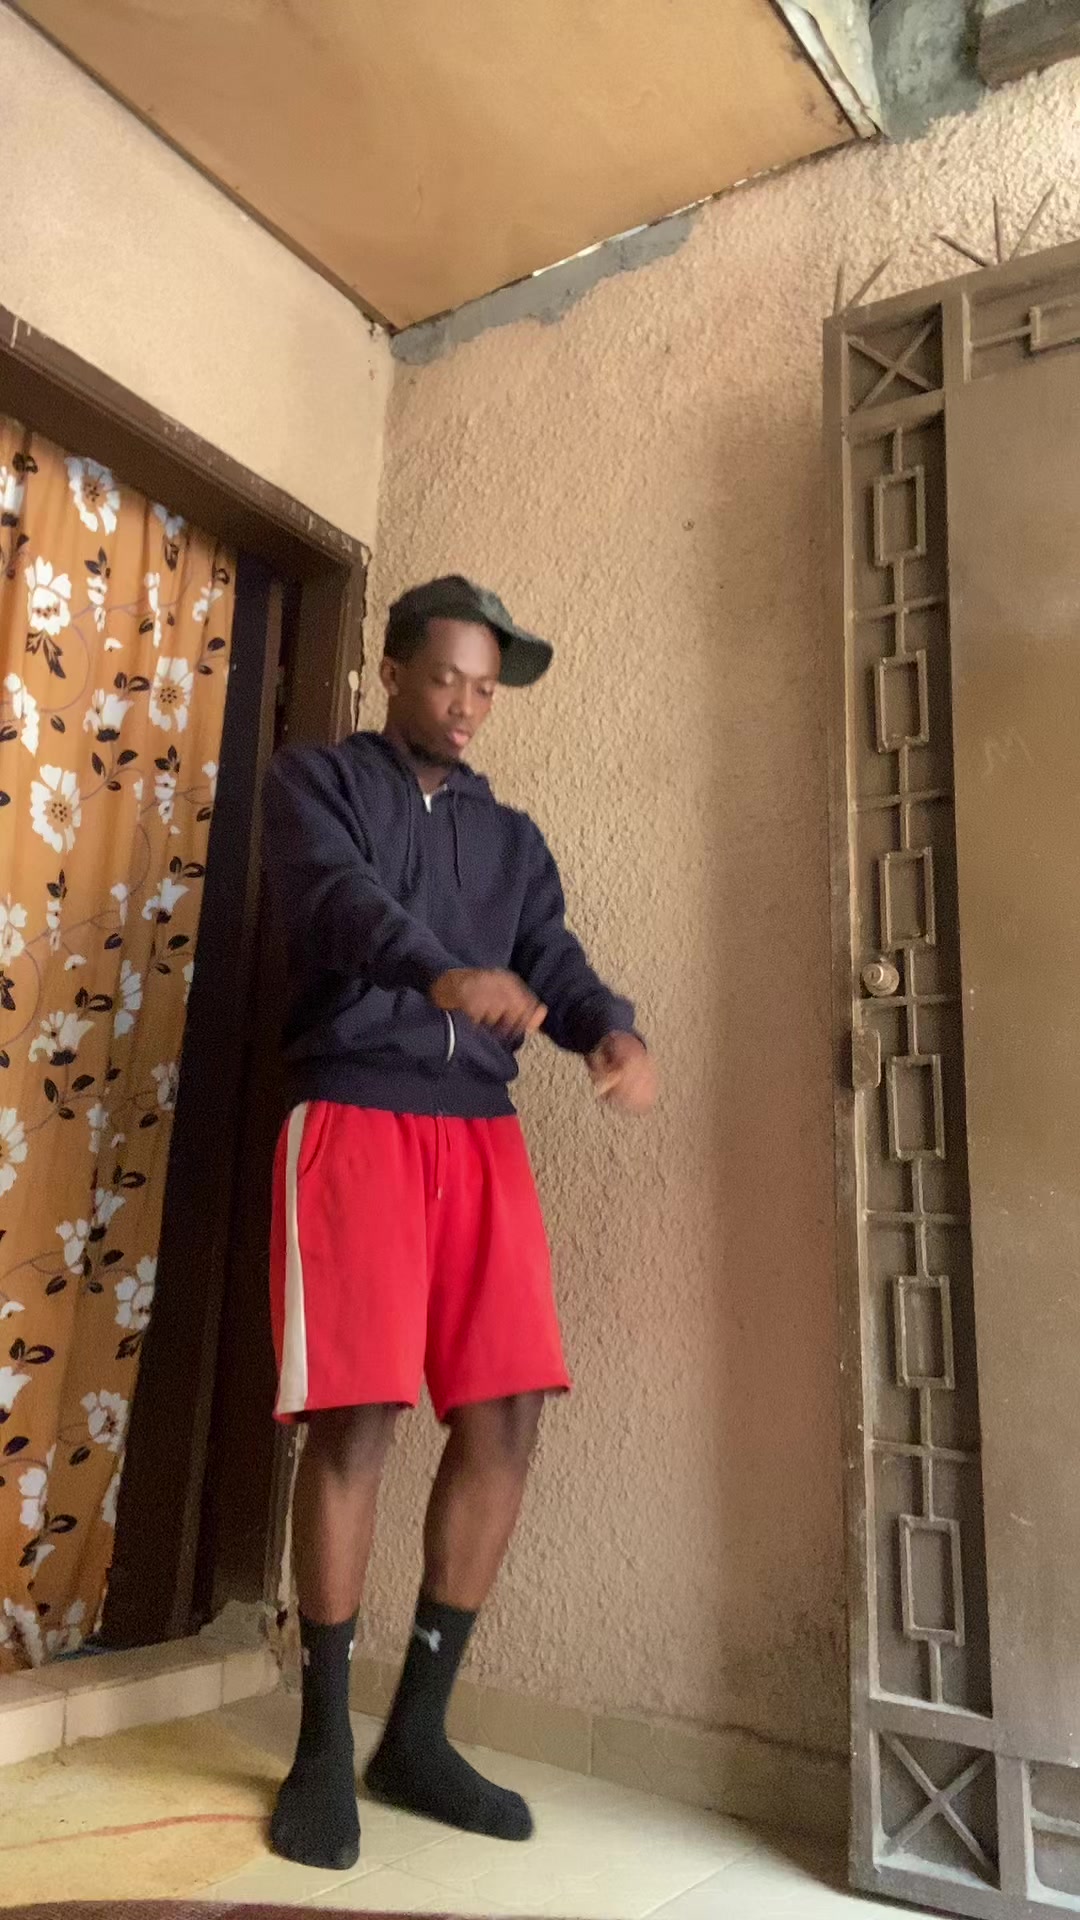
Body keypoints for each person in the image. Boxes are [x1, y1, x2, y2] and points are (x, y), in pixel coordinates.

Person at [261, 575, 656, 1872]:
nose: (470, 706)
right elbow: (336, 900)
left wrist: (608, 1032)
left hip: (480, 1138)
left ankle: (416, 1736)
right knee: (357, 1419)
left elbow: (553, 958)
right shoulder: (317, 784)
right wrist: (439, 972)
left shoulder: (513, 840)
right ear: (392, 670)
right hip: (356, 1117)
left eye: (487, 688)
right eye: (448, 679)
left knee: (507, 1417)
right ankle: (323, 1745)